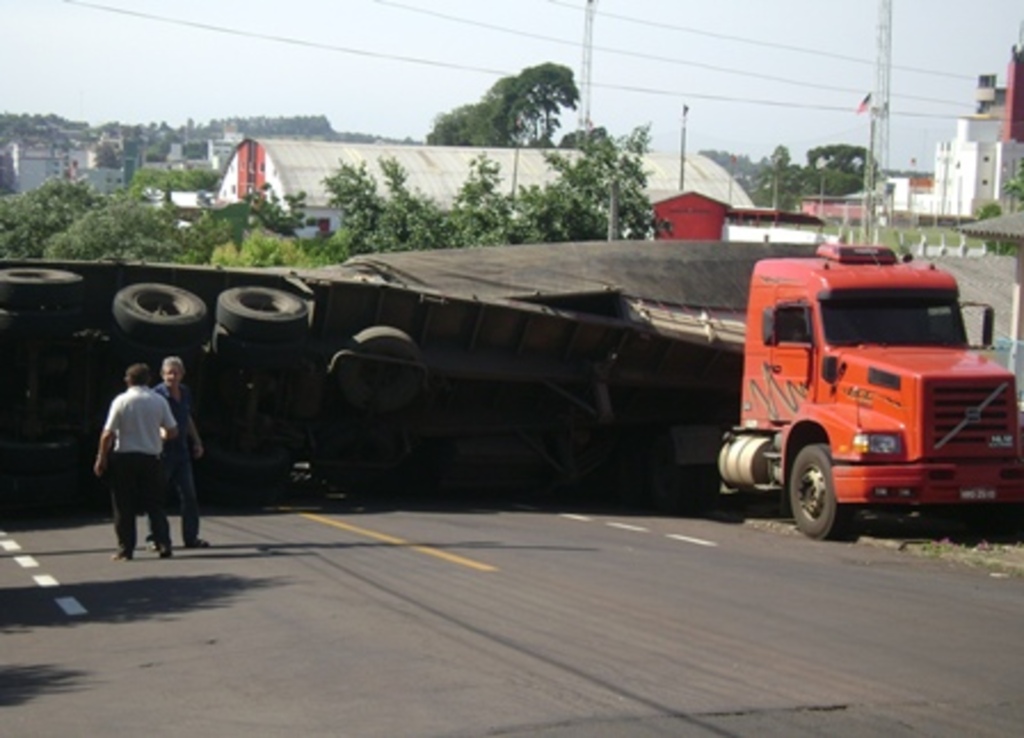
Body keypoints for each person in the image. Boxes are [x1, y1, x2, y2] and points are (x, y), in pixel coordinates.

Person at [94, 363, 178, 561]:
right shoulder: (159, 401)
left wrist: (101, 457)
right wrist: (160, 436)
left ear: (128, 380)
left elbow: (107, 434)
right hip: (152, 458)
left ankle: (126, 549)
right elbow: (173, 430)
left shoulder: (122, 401)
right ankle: (164, 543)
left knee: (124, 505)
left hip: (125, 457)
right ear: (148, 380)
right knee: (155, 504)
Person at [152, 356, 209, 549]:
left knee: (189, 496)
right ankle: (155, 538)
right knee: (157, 496)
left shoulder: (185, 392)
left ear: (182, 375)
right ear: (162, 374)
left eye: (176, 373)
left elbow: (187, 418)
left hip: (182, 453)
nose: (172, 377)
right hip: (163, 452)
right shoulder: (156, 395)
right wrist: (161, 435)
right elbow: (152, 421)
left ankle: (191, 537)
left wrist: (197, 441)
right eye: (169, 373)